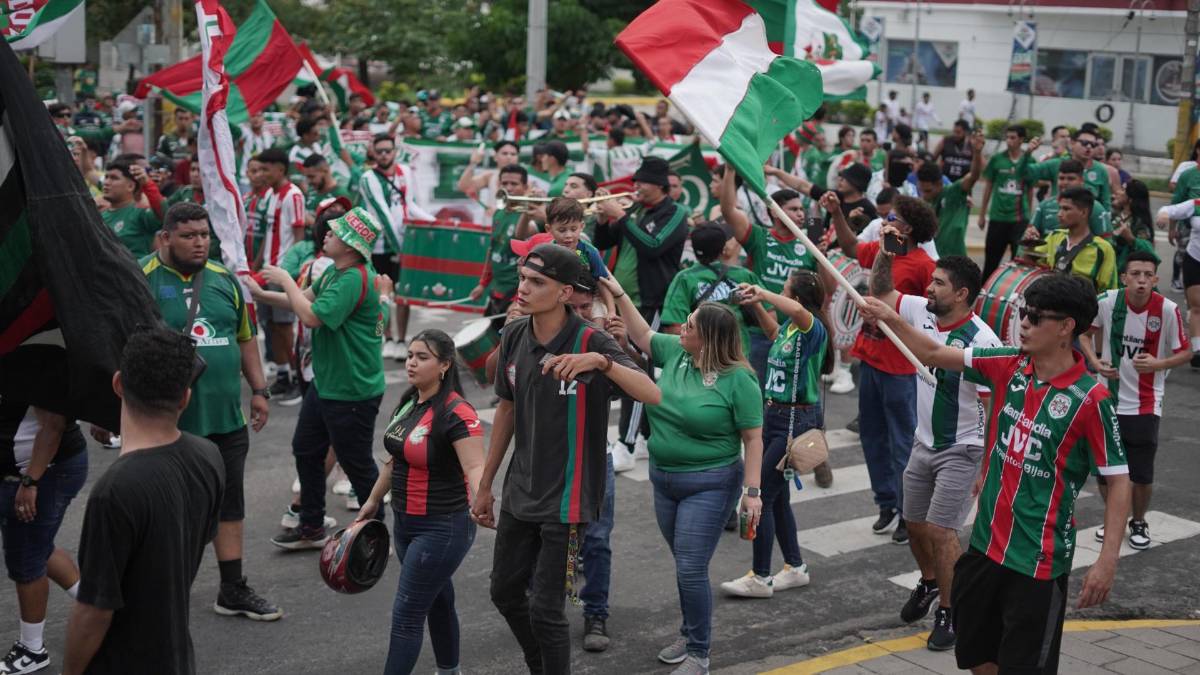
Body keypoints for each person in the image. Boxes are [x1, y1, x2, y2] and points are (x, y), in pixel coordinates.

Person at [859, 273, 1131, 675]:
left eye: (1035, 317)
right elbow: (933, 353)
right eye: (1023, 313)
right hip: (984, 551)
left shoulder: (1092, 400)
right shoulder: (1008, 363)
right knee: (978, 658)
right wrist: (890, 317)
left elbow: (1119, 480)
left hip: (1037, 565)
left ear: (1066, 327)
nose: (1024, 323)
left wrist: (1107, 561)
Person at [471, 244, 658, 675]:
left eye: (537, 282)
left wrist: (602, 362)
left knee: (547, 611)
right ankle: (539, 663)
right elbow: (506, 410)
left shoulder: (591, 340)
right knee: (504, 593)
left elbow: (652, 393)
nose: (523, 288)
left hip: (568, 501)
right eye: (522, 278)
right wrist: (485, 486)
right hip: (521, 490)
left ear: (564, 293)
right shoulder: (514, 335)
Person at [601, 273, 763, 675]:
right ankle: (691, 633)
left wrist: (752, 492)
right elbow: (641, 333)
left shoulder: (739, 379)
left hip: (710, 483)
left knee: (690, 568)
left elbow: (753, 439)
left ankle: (699, 655)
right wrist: (617, 290)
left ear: (707, 339)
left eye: (689, 326)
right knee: (686, 565)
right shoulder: (677, 352)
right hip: (664, 480)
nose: (680, 329)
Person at [141, 202, 279, 621]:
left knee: (229, 503)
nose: (199, 243)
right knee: (171, 510)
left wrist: (259, 390)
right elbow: (121, 345)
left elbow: (245, 338)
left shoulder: (223, 279)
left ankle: (232, 588)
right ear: (166, 237)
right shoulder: (140, 277)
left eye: (204, 235)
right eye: (189, 236)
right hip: (169, 423)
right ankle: (161, 594)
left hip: (225, 419)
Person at [62, 328, 225, 675]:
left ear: (118, 383)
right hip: (176, 657)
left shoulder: (114, 490)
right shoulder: (209, 456)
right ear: (185, 397)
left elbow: (94, 611)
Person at [869, 251, 1001, 651]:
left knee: (943, 532)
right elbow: (881, 293)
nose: (928, 287)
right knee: (914, 525)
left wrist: (987, 465)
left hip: (962, 449)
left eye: (939, 283)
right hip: (922, 442)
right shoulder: (920, 310)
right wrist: (884, 255)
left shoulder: (983, 342)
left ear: (961, 294)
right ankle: (929, 582)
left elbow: (994, 405)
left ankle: (951, 610)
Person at [249, 207, 391, 550]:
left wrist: (284, 280)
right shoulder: (335, 272)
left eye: (335, 232)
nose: (326, 234)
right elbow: (302, 300)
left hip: (351, 389)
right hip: (328, 383)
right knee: (306, 449)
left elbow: (311, 316)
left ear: (351, 245)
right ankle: (311, 525)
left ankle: (375, 535)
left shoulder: (353, 278)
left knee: (357, 464)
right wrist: (260, 294)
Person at [356, 330, 485, 675]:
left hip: (442, 528)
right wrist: (372, 500)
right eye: (411, 355)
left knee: (406, 617)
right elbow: (394, 460)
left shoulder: (458, 412)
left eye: (422, 357)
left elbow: (475, 466)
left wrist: (482, 501)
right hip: (404, 523)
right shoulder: (409, 402)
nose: (411, 362)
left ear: (445, 365)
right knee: (438, 601)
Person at [827, 192, 937, 543]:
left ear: (909, 229)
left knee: (903, 443)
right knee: (872, 437)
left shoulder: (923, 266)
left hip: (902, 368)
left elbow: (933, 315)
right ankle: (886, 503)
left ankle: (908, 513)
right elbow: (849, 247)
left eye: (893, 219)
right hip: (871, 361)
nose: (886, 222)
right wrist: (836, 213)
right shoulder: (880, 250)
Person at [718, 271, 831, 599]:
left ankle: (761, 576)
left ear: (796, 299)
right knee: (779, 498)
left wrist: (763, 293)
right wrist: (755, 304)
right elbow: (772, 331)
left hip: (794, 420)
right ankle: (795, 567)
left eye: (784, 290)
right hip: (775, 416)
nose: (779, 293)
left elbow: (796, 311)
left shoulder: (812, 328)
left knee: (762, 496)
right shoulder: (791, 329)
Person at [1079, 251, 1191, 551]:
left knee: (1141, 472)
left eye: (1147, 275)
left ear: (1155, 279)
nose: (1141, 280)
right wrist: (1095, 363)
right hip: (1107, 399)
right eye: (1135, 274)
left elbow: (1186, 352)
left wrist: (1158, 364)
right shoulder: (1107, 302)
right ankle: (1113, 517)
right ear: (1124, 277)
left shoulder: (1167, 309)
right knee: (1105, 469)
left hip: (1145, 402)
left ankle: (1138, 521)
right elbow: (1085, 335)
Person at [592, 156, 691, 464]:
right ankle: (645, 437)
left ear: (659, 185)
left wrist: (621, 216)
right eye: (636, 181)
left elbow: (653, 246)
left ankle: (628, 443)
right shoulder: (637, 209)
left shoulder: (675, 213)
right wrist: (602, 219)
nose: (637, 186)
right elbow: (604, 241)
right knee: (626, 363)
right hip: (626, 300)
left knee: (638, 369)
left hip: (654, 301)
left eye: (642, 182)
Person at [0, 400, 88, 675]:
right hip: (23, 471)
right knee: (38, 547)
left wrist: (30, 482)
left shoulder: (37, 371)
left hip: (42, 472)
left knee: (27, 558)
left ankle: (32, 649)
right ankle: (99, 606)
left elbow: (53, 424)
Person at [718, 169, 818, 384]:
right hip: (758, 333)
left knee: (787, 396)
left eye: (802, 209)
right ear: (775, 212)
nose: (801, 214)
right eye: (793, 209)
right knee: (755, 393)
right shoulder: (759, 237)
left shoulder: (811, 245)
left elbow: (825, 290)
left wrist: (823, 255)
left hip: (795, 335)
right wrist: (730, 171)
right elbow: (728, 211)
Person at [358, 133, 435, 363]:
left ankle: (402, 340)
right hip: (380, 245)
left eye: (387, 151)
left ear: (394, 151)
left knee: (404, 294)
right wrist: (399, 249)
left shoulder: (405, 172)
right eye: (379, 151)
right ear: (373, 153)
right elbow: (381, 212)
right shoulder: (368, 178)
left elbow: (409, 205)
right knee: (382, 294)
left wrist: (434, 222)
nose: (384, 155)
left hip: (404, 242)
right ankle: (388, 337)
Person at [661, 223, 773, 355]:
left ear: (693, 248)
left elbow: (674, 328)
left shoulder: (684, 278)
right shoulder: (744, 275)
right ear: (723, 248)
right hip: (738, 357)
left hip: (702, 359)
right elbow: (771, 317)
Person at [255, 148, 306, 399]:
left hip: (283, 271)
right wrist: (258, 264)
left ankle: (298, 377)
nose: (262, 174)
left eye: (266, 169)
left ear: (281, 169)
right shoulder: (271, 195)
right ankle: (283, 375)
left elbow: (299, 237)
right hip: (268, 270)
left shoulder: (293, 195)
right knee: (271, 325)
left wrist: (294, 272)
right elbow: (269, 234)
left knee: (285, 327)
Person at [470, 165, 529, 330]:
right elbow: (493, 250)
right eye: (505, 183)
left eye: (514, 184)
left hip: (515, 293)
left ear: (525, 187)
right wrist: (482, 284)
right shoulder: (498, 213)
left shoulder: (529, 217)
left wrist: (518, 300)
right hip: (496, 290)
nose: (508, 188)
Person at [1028, 187, 1118, 293]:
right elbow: (1030, 262)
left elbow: (1109, 292)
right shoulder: (1055, 236)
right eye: (1060, 208)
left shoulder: (1103, 248)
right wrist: (1029, 242)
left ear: (1083, 212)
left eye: (1066, 209)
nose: (1059, 214)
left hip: (1083, 302)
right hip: (1051, 299)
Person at [978, 125, 1034, 280]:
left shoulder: (1029, 160)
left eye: (1013, 137)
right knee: (991, 262)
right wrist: (982, 214)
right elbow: (988, 186)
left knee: (1019, 263)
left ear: (1021, 139)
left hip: (1019, 220)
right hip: (997, 218)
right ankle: (984, 291)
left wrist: (1029, 218)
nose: (1009, 141)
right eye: (1007, 137)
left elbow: (1030, 189)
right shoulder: (997, 159)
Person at [921, 131, 985, 258]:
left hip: (955, 258)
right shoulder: (924, 202)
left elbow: (973, 176)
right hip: (933, 258)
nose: (925, 195)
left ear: (939, 183)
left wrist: (977, 153)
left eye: (928, 191)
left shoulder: (954, 192)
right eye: (922, 190)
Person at [1020, 130, 1113, 211]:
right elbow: (1025, 173)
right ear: (1072, 143)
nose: (1089, 146)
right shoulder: (1057, 164)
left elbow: (1106, 203)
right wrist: (1028, 153)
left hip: (1089, 222)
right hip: (1058, 217)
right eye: (1084, 143)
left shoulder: (1101, 170)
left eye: (1093, 144)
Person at [1156, 196, 1200, 365]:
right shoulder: (1196, 205)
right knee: (1197, 306)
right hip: (1195, 260)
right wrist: (1163, 216)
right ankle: (1197, 350)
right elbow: (1168, 210)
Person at [99, 157, 163, 259]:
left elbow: (162, 213)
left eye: (114, 178)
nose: (106, 182)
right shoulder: (99, 216)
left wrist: (147, 184)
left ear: (130, 186)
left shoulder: (140, 214)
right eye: (106, 177)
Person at [1029, 159, 1111, 237]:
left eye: (1071, 179)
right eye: (1061, 178)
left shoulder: (1095, 208)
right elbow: (1029, 236)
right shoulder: (1044, 206)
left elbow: (1107, 242)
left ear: (1081, 181)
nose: (1065, 182)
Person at [301, 154, 353, 224]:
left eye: (312, 177)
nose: (309, 181)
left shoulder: (341, 195)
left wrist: (312, 223)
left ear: (325, 170)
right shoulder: (311, 190)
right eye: (307, 177)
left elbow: (344, 226)